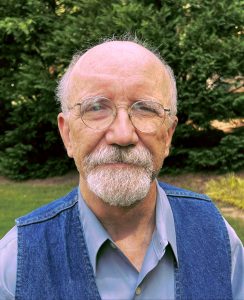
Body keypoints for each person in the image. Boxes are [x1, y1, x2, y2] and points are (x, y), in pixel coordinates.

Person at [0, 38, 243, 300]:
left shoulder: (218, 237)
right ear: (67, 134)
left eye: (146, 109)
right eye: (96, 108)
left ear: (168, 135)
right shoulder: (15, 266)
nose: (123, 134)